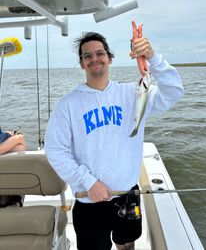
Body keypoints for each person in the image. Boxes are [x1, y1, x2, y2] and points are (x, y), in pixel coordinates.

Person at [44, 31, 184, 250]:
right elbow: (55, 151)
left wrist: (153, 58)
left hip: (127, 195)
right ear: (82, 64)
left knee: (127, 244)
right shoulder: (68, 104)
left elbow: (174, 92)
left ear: (110, 58)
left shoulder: (134, 93)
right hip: (89, 199)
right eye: (87, 56)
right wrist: (89, 182)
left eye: (100, 53)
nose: (94, 59)